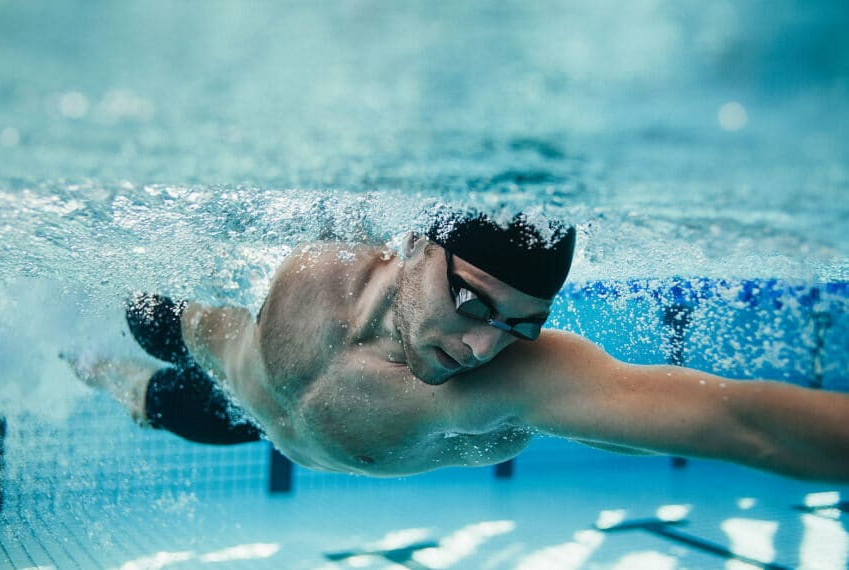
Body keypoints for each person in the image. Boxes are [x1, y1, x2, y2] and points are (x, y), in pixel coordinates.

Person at [70, 211, 849, 482]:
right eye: (472, 299)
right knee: (133, 310)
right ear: (411, 245)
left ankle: (94, 374)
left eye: (519, 324)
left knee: (142, 397)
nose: (482, 346)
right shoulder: (326, 256)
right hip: (217, 349)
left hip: (242, 419)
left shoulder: (513, 385)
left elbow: (742, 423)